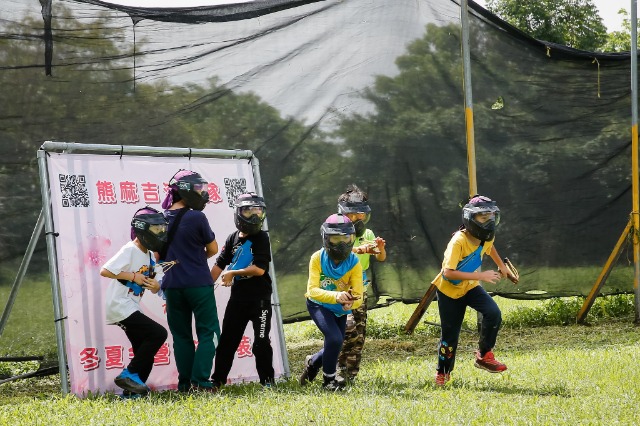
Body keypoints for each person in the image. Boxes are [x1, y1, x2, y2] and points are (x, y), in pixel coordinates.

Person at [431, 195, 511, 387]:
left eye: (491, 216)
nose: (489, 221)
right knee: (450, 337)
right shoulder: (458, 240)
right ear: (471, 219)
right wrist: (481, 276)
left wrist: (502, 266)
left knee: (493, 313)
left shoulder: (486, 236)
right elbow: (448, 272)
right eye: (483, 217)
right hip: (449, 292)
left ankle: (484, 355)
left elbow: (490, 248)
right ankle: (442, 373)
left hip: (470, 287)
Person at [161, 169, 220, 392]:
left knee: (181, 336)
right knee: (209, 332)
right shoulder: (197, 217)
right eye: (198, 189)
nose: (202, 193)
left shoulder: (160, 218)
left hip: (172, 287)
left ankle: (185, 384)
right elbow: (213, 249)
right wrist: (195, 257)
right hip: (198, 284)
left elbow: (157, 256)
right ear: (185, 191)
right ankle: (201, 381)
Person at [100, 207, 169, 396]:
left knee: (143, 352)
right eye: (156, 229)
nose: (160, 233)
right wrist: (133, 276)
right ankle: (128, 374)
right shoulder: (130, 249)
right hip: (120, 305)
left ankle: (132, 394)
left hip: (129, 305)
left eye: (161, 229)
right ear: (142, 229)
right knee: (158, 333)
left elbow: (152, 282)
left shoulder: (148, 254)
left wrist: (154, 286)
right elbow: (105, 270)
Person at [210, 193, 275, 389]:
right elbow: (219, 265)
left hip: (260, 300)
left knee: (261, 342)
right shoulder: (232, 238)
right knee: (227, 342)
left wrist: (233, 272)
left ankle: (268, 383)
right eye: (249, 211)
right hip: (238, 300)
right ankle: (217, 382)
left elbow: (259, 269)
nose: (254, 216)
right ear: (239, 213)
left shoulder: (262, 237)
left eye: (258, 211)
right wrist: (203, 288)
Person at [299, 213, 363, 391]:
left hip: (340, 308)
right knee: (334, 338)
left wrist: (352, 303)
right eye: (335, 239)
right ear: (326, 238)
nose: (342, 243)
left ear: (352, 238)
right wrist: (336, 296)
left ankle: (312, 363)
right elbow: (312, 290)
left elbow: (359, 295)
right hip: (318, 304)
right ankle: (329, 381)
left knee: (335, 343)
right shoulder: (317, 258)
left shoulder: (354, 262)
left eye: (346, 238)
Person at [335, 184, 386, 384]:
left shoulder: (368, 234)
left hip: (360, 290)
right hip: (340, 289)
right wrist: (359, 250)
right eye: (353, 214)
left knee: (359, 337)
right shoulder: (335, 230)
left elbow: (380, 258)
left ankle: (350, 376)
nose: (358, 218)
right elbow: (336, 255)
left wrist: (379, 248)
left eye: (361, 214)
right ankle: (335, 369)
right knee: (348, 331)